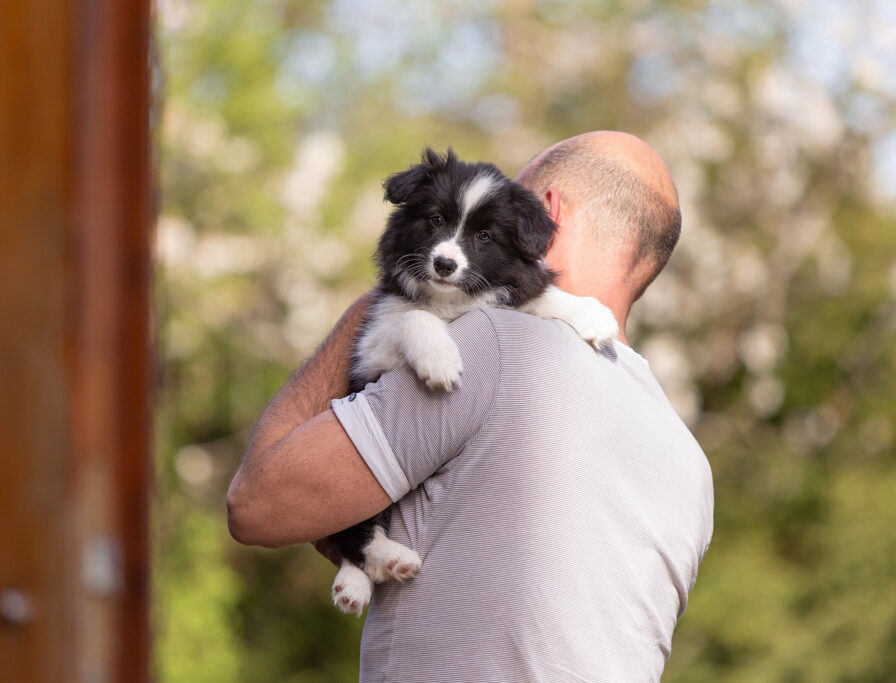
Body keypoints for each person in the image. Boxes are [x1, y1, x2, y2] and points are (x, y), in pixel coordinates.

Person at [227, 131, 714, 682]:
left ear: (544, 214)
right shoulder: (690, 465)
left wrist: (380, 304)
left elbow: (260, 502)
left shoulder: (493, 344)